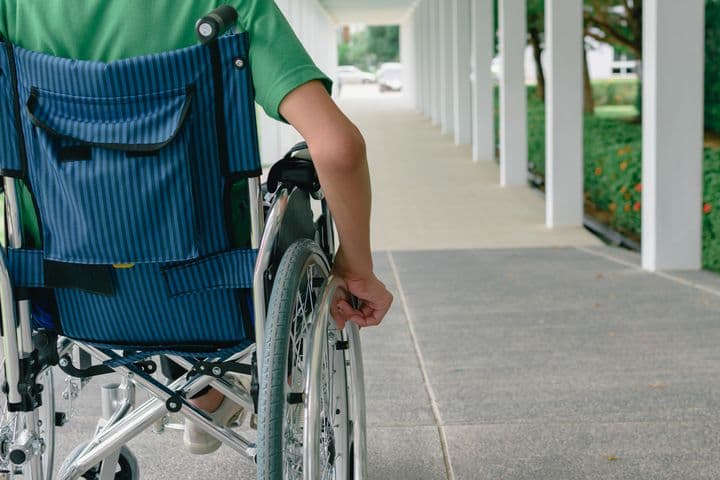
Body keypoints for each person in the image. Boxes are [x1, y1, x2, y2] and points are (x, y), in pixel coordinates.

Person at [0, 0, 393, 454]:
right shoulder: (230, 8)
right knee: (280, 213)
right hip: (221, 293)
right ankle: (211, 392)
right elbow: (339, 149)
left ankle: (205, 394)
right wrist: (356, 267)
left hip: (60, 296)